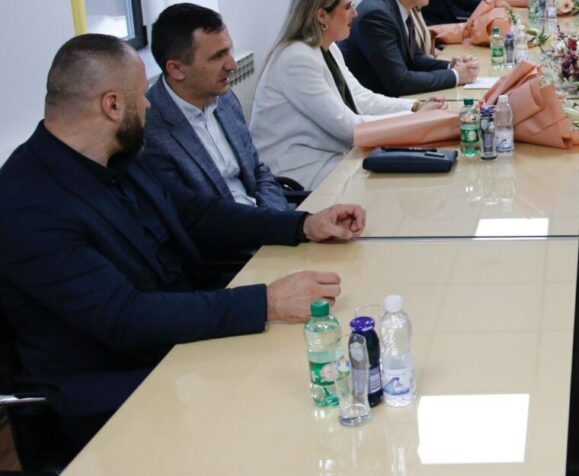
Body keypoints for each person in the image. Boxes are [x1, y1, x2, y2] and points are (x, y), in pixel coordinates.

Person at [0, 34, 366, 449]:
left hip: (181, 342)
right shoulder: (28, 204)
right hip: (117, 397)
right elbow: (123, 317)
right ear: (112, 105)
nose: (149, 105)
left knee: (322, 366)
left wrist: (301, 225)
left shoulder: (117, 159)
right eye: (141, 95)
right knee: (295, 412)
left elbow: (198, 214)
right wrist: (267, 302)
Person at [251, 0, 446, 189]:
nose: (354, 13)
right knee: (395, 181)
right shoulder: (296, 59)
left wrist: (415, 107)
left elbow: (361, 98)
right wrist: (415, 119)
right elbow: (349, 128)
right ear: (322, 16)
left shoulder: (328, 47)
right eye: (347, 7)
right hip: (299, 171)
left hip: (331, 157)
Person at [143, 3, 288, 212]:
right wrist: (269, 224)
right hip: (226, 229)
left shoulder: (225, 99)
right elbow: (193, 217)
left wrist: (278, 218)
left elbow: (258, 172)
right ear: (176, 69)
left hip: (263, 218)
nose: (232, 65)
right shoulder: (151, 129)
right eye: (218, 56)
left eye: (229, 51)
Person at [340, 0, 479, 97]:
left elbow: (414, 59)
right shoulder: (375, 15)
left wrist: (451, 66)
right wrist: (456, 76)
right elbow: (399, 82)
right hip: (375, 105)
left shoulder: (397, 4)